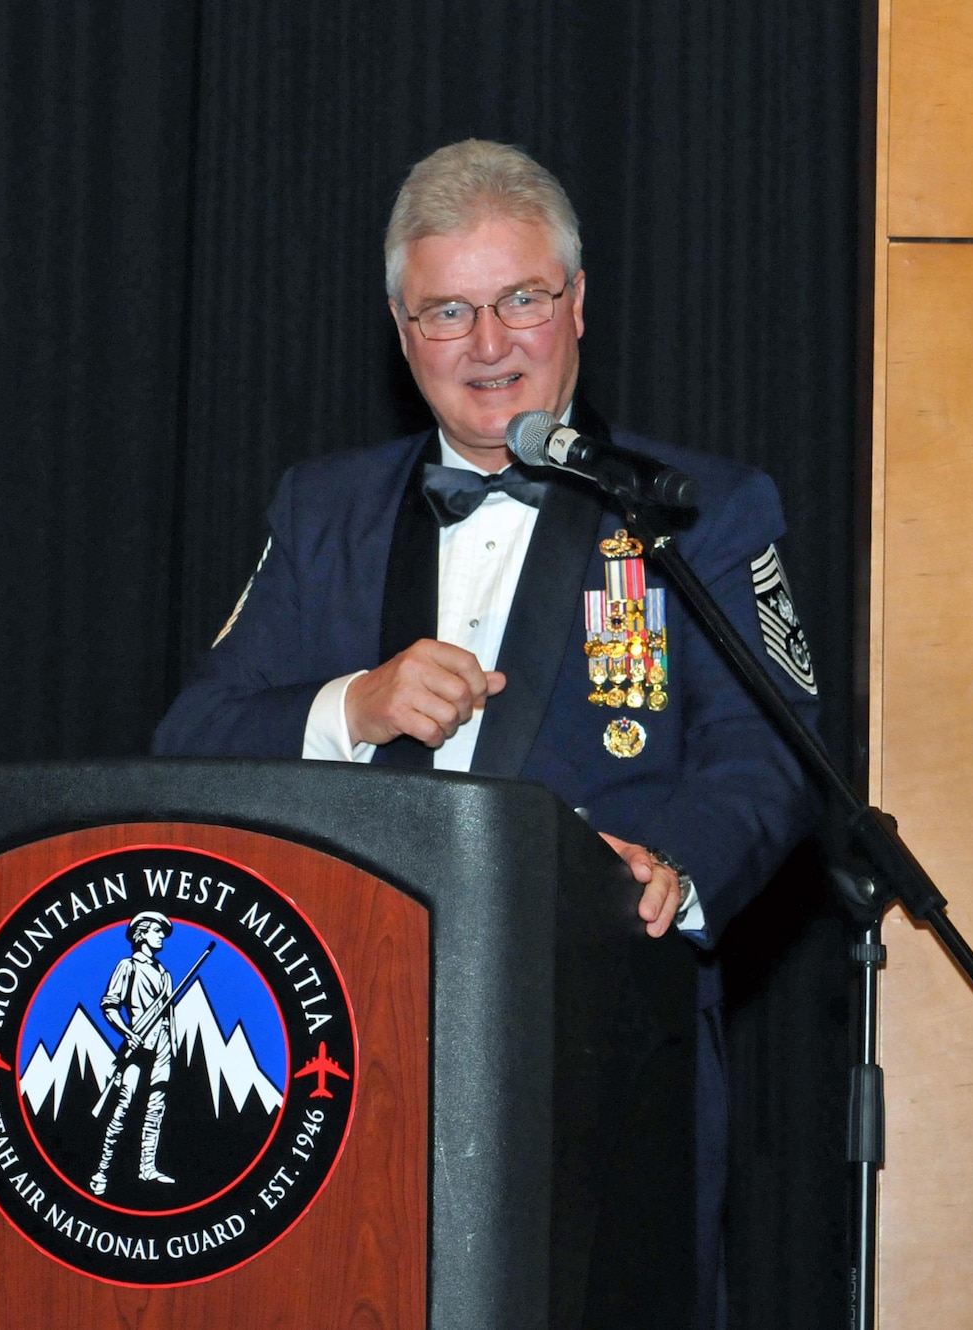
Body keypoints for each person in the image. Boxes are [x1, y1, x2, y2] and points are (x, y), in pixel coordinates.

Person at [151, 139, 820, 1328]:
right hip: (336, 1061)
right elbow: (190, 738)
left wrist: (668, 862)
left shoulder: (695, 506)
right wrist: (346, 706)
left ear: (575, 305)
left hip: (607, 1046)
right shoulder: (324, 505)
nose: (490, 343)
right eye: (447, 312)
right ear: (402, 336)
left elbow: (768, 755)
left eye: (519, 299)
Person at [90, 910, 179, 1195]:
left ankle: (147, 1168)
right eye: (156, 930)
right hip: (138, 1045)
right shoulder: (127, 967)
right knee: (123, 1105)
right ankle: (102, 1171)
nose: (162, 936)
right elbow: (110, 1005)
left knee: (156, 1109)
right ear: (141, 933)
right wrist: (128, 1034)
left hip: (163, 1046)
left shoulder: (165, 975)